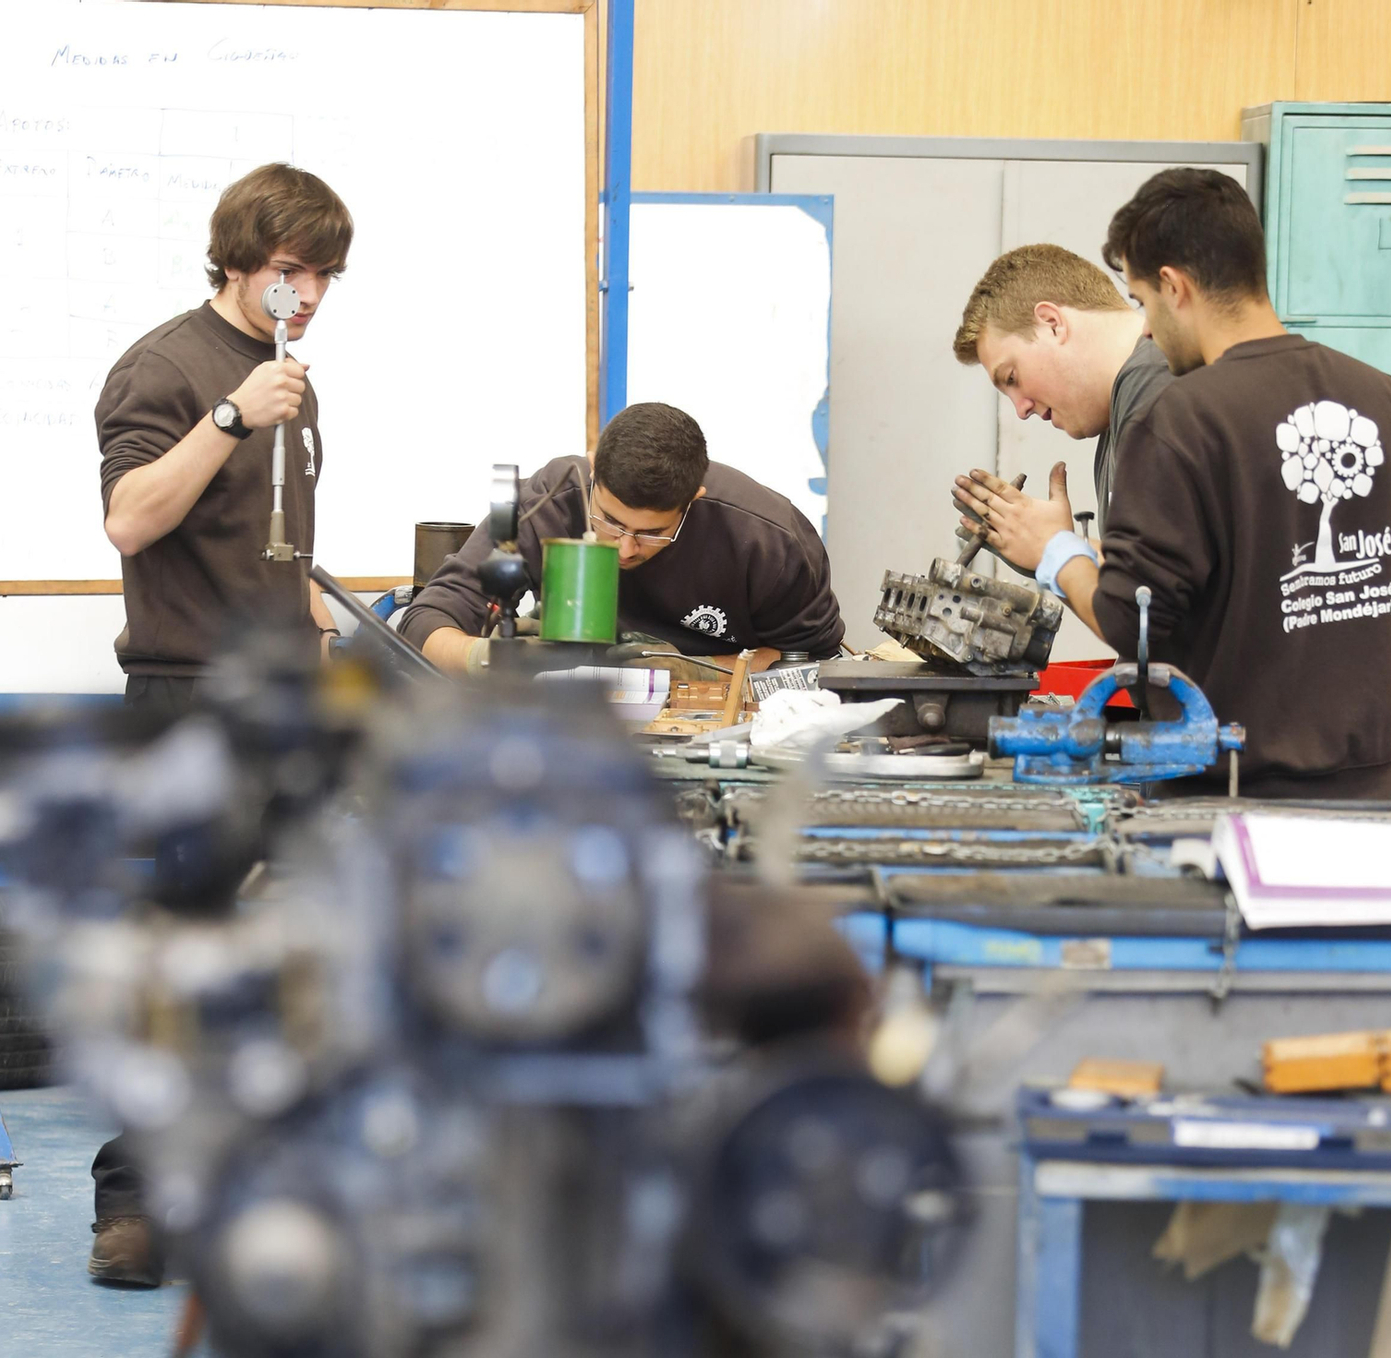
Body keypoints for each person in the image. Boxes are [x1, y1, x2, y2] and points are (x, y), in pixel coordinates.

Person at [958, 169, 1391, 801]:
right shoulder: (1390, 400)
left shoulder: (1181, 419)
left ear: (1173, 286)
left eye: (1142, 304)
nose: (1146, 332)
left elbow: (1136, 626)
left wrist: (1057, 552)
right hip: (1371, 782)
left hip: (1223, 790)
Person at [89, 161, 354, 1287]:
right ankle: (135, 1201)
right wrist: (233, 414)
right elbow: (132, 519)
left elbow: (272, 538)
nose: (307, 295)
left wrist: (319, 633)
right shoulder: (168, 369)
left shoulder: (296, 379)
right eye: (291, 272)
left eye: (326, 276)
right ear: (241, 259)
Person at [404, 402, 844, 666]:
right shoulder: (551, 502)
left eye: (652, 532)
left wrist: (688, 671)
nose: (626, 549)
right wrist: (485, 662)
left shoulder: (768, 541)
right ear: (594, 473)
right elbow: (426, 622)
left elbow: (815, 662)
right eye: (611, 523)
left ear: (694, 498)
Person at [948, 241, 1170, 544]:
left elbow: (1160, 587)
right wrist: (1052, 552)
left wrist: (1054, 552)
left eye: (1012, 377)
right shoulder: (1115, 422)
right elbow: (1133, 584)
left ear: (1052, 324)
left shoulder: (1155, 381)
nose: (1021, 410)